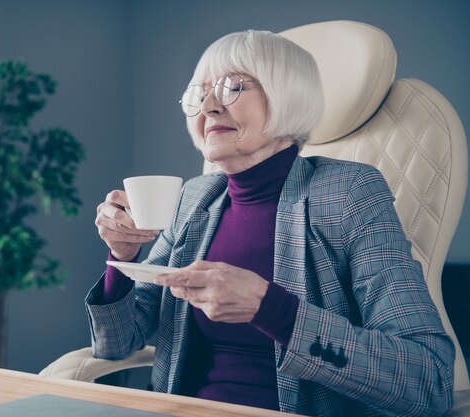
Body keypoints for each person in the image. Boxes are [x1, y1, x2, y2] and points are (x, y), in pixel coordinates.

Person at [88, 29, 455, 416]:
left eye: (233, 87)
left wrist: (272, 309)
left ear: (287, 96)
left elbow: (428, 381)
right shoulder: (194, 198)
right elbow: (117, 342)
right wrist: (121, 256)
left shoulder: (350, 192)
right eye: (199, 93)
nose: (209, 106)